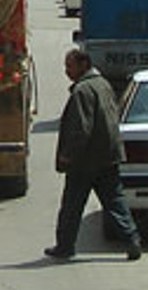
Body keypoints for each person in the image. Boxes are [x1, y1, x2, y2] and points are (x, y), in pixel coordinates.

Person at [46, 48, 142, 261]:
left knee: (72, 205)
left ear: (83, 65)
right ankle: (131, 239)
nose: (66, 71)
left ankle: (64, 246)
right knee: (115, 201)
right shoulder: (103, 84)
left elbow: (81, 127)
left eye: (69, 66)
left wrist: (68, 155)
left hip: (86, 160)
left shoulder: (83, 91)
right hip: (108, 155)